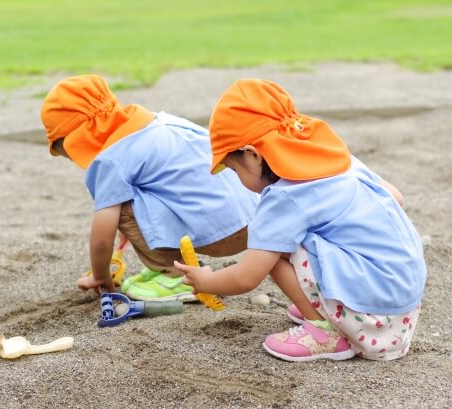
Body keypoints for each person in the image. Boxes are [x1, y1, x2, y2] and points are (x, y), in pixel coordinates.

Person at [175, 79, 426, 362]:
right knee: (297, 235)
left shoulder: (285, 198)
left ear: (253, 155)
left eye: (234, 170)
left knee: (278, 244)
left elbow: (247, 278)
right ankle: (325, 307)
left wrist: (207, 281)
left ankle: (326, 331)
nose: (237, 179)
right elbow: (396, 197)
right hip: (402, 308)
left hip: (371, 320)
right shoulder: (338, 159)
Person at [40, 75, 257, 301]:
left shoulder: (110, 160)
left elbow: (102, 237)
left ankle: (175, 277)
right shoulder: (160, 122)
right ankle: (168, 268)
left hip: (220, 236)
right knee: (134, 194)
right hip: (255, 219)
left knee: (118, 207)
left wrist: (100, 275)